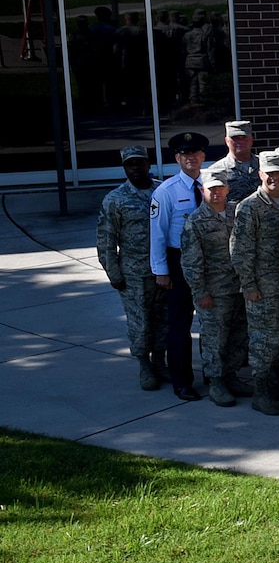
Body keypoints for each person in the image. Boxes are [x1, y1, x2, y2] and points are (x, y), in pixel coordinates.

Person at [231, 153, 279, 415]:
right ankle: (261, 393)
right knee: (264, 341)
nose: (274, 177)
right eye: (268, 173)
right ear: (260, 174)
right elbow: (240, 251)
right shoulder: (249, 207)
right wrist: (249, 285)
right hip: (263, 287)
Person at [181, 166, 248, 406]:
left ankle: (231, 376)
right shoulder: (196, 222)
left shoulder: (237, 213)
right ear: (202, 190)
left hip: (240, 288)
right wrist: (201, 293)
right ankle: (216, 382)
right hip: (214, 293)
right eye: (211, 189)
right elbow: (191, 263)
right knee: (214, 339)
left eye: (220, 188)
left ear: (228, 189)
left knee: (237, 336)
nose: (216, 193)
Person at [98, 145, 163, 390]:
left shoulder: (162, 190)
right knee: (141, 322)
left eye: (139, 163)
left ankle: (160, 361)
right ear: (124, 167)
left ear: (148, 164)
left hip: (164, 271)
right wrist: (113, 274)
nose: (135, 168)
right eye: (130, 165)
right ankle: (143, 365)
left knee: (163, 319)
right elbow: (106, 240)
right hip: (134, 274)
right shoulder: (115, 199)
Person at [149, 130, 208, 400]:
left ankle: (215, 374)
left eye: (195, 153)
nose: (191, 158)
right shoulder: (166, 191)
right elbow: (158, 234)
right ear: (177, 158)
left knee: (213, 321)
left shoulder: (212, 185)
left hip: (209, 260)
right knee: (180, 324)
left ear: (203, 156)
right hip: (179, 261)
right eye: (185, 155)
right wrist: (161, 271)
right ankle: (182, 381)